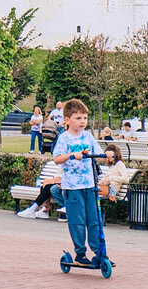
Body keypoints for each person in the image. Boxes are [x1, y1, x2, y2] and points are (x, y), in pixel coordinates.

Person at [51, 98, 103, 267]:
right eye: (78, 118)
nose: (82, 122)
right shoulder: (64, 139)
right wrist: (73, 155)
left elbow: (98, 152)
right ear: (67, 120)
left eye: (85, 118)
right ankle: (80, 253)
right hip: (73, 187)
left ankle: (99, 252)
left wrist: (108, 156)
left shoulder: (88, 137)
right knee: (78, 221)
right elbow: (57, 158)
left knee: (94, 220)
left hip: (89, 185)